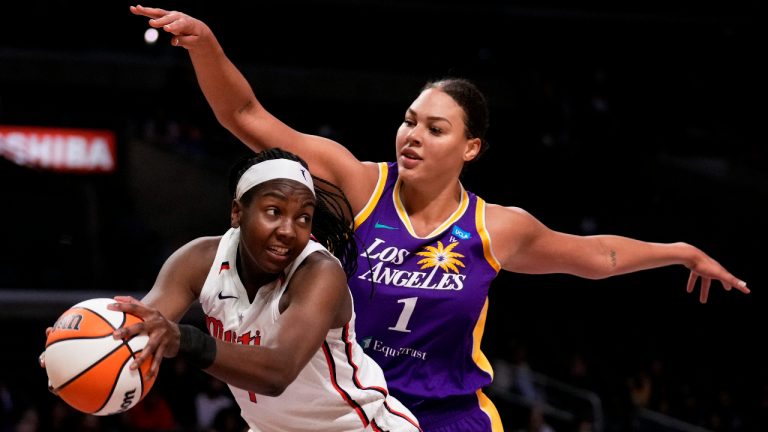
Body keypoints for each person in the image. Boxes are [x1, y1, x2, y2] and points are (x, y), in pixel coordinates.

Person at [130, 6, 751, 431]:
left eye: (435, 128)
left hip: (453, 416)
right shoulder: (357, 182)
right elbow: (248, 117)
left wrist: (678, 250)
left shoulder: (495, 228)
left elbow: (596, 257)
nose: (413, 135)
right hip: (352, 408)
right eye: (408, 120)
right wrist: (205, 44)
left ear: (470, 147)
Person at [43, 148, 421, 432]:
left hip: (359, 427)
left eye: (302, 218)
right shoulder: (198, 260)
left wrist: (184, 339)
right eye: (274, 211)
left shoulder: (319, 273)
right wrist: (82, 352)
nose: (289, 230)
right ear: (238, 213)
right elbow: (144, 331)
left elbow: (277, 371)